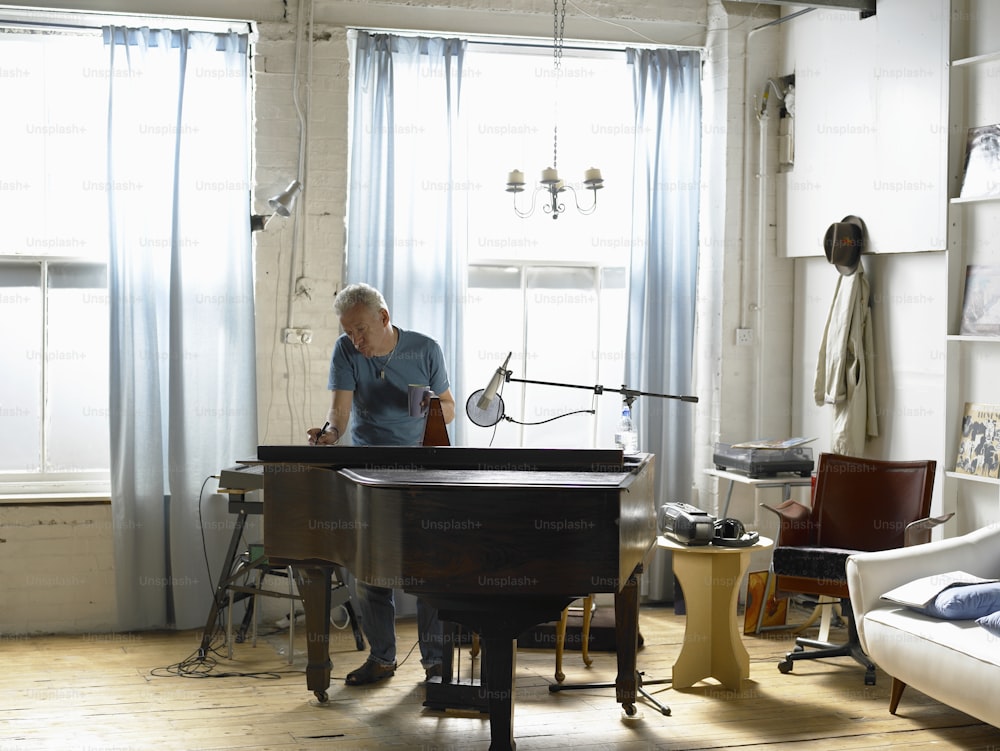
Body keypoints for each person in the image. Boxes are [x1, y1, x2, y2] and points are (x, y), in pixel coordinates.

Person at [307, 282, 457, 686]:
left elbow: (451, 407)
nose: (355, 340)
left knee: (430, 570)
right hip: (370, 471)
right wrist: (329, 433)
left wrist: (430, 406)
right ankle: (383, 658)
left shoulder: (425, 349)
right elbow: (339, 409)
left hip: (425, 471)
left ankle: (437, 663)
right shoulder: (345, 352)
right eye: (348, 332)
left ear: (384, 318)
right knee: (369, 568)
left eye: (360, 330)